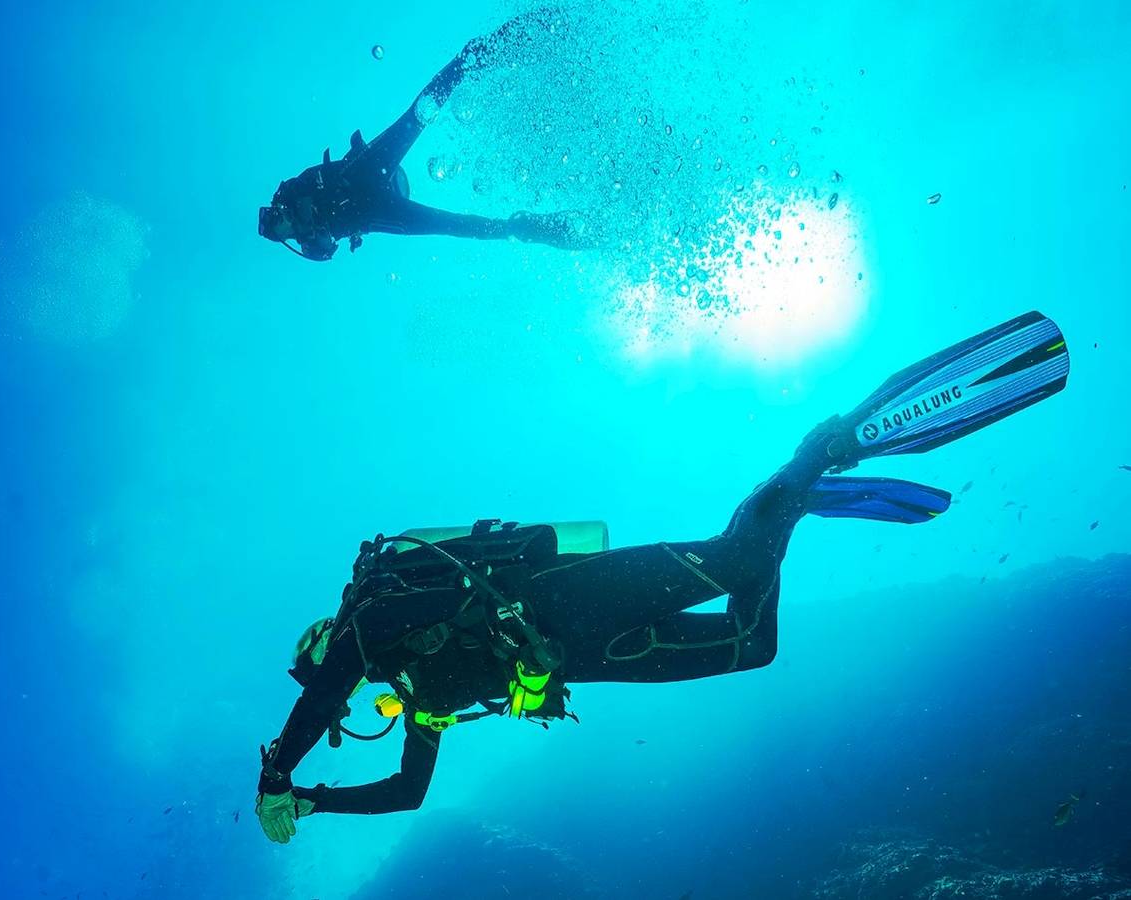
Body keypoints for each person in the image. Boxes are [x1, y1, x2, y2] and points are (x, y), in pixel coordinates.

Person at [255, 311, 1070, 840]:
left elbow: (324, 688)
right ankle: (800, 502)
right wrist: (313, 799)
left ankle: (816, 455)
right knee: (755, 647)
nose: (335, 675)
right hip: (589, 662)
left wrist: (274, 774)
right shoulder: (417, 691)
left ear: (328, 632)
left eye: (319, 652)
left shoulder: (373, 613)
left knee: (738, 558)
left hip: (569, 596)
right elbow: (409, 793)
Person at [257, 10, 590, 261]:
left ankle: (477, 55)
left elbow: (315, 178)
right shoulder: (302, 243)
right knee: (449, 225)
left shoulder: (288, 192)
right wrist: (313, 235)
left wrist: (297, 208)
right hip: (373, 213)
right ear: (282, 238)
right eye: (278, 229)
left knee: (419, 114)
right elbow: (326, 253)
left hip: (359, 174)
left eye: (275, 220)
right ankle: (528, 228)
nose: (280, 222)